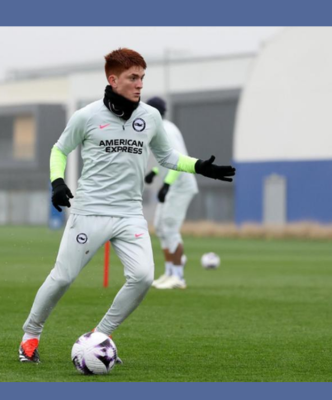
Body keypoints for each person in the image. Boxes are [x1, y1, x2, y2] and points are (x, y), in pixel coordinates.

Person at [19, 48, 235, 363]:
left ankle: (100, 336)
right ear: (113, 79)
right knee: (63, 277)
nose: (139, 84)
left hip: (130, 215)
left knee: (144, 277)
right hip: (89, 212)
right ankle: (30, 336)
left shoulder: (150, 117)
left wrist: (201, 166)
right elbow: (59, 149)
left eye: (142, 78)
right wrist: (57, 181)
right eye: (133, 78)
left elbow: (168, 157)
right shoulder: (87, 115)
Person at [143, 97, 198, 290]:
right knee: (159, 226)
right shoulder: (162, 128)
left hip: (181, 184)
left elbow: (179, 160)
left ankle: (178, 277)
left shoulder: (166, 130)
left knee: (169, 227)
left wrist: (166, 184)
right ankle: (169, 273)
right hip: (172, 184)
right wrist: (154, 173)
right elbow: (165, 159)